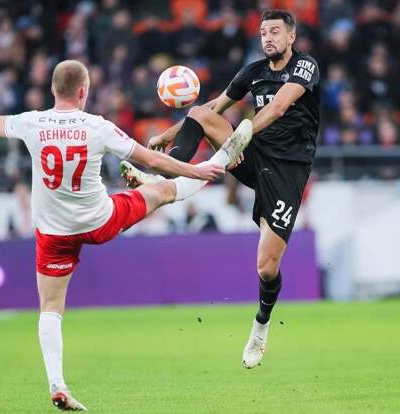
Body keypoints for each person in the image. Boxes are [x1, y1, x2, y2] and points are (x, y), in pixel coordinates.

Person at [0, 60, 252, 411]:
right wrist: (193, 169)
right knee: (161, 191)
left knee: (50, 309)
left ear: (52, 89)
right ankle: (219, 160)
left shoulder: (32, 121)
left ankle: (57, 384)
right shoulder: (97, 126)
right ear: (84, 92)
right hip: (100, 221)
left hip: (53, 232)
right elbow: (152, 159)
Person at [122, 9, 320, 369]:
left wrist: (244, 132)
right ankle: (163, 176)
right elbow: (213, 108)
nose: (268, 38)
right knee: (200, 113)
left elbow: (279, 107)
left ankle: (260, 328)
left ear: (291, 36)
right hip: (252, 154)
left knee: (266, 268)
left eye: (275, 32)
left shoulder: (305, 66)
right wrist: (169, 134)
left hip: (287, 171)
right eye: (264, 33)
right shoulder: (252, 72)